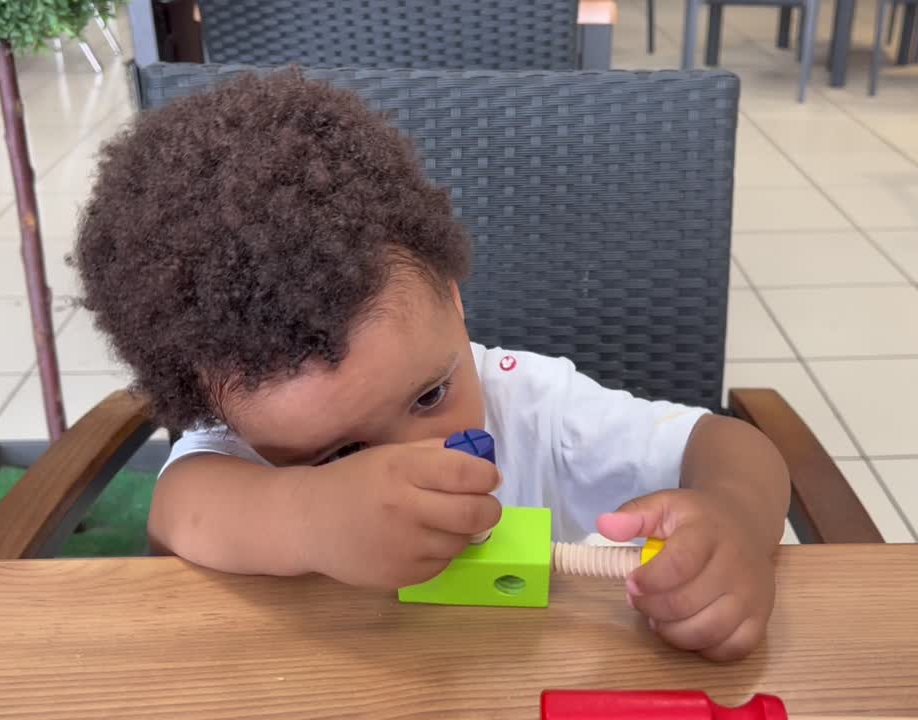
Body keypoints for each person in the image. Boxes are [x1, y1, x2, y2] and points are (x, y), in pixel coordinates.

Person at [73, 70, 790, 661]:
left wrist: (735, 521)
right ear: (220, 415)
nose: (414, 461)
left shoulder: (534, 408)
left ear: (453, 298)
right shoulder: (239, 457)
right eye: (341, 452)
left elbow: (732, 446)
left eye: (429, 396)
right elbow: (178, 513)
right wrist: (310, 515)